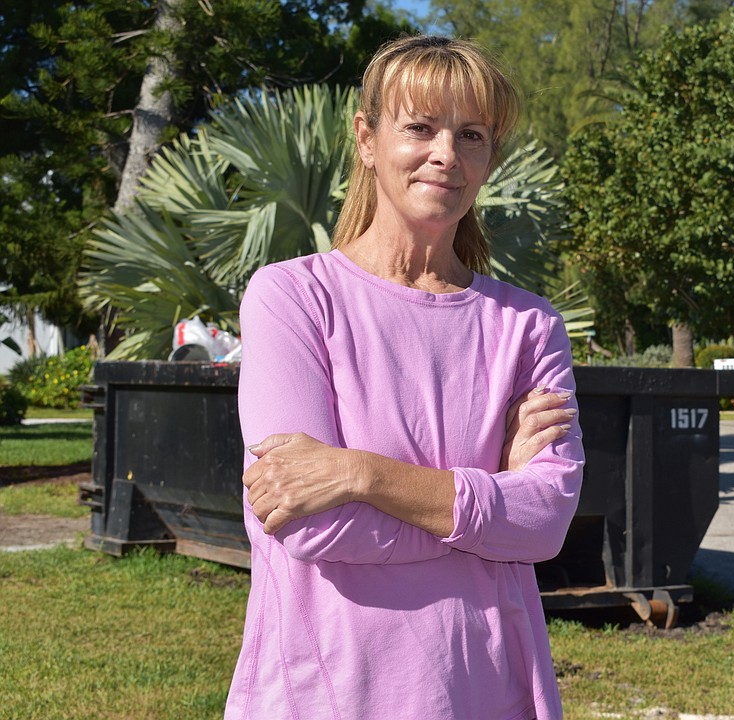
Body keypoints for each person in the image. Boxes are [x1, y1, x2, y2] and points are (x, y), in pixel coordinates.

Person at [223, 35, 585, 720]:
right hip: (328, 692)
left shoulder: (530, 327)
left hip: (489, 690)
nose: (446, 154)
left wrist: (362, 474)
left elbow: (544, 527)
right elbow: (311, 526)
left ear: (489, 158)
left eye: (471, 134)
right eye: (420, 127)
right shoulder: (293, 299)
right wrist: (492, 503)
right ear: (366, 138)